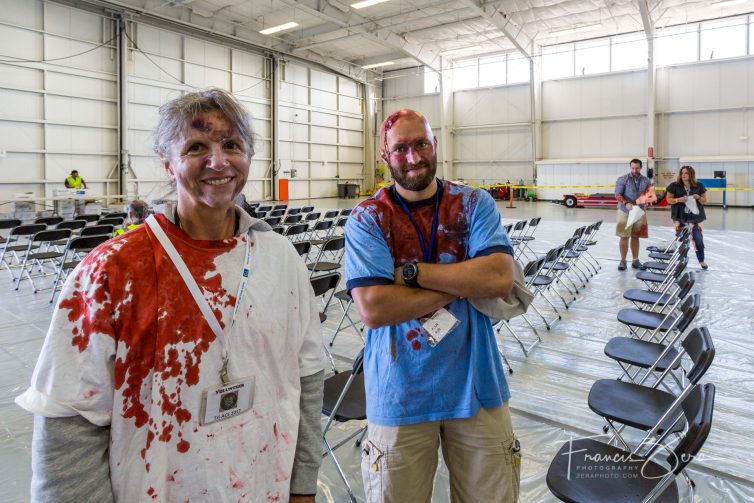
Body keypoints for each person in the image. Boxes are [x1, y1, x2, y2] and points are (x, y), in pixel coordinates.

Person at [16, 88, 324, 503]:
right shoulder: (110, 272)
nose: (219, 161)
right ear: (167, 161)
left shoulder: (281, 258)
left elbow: (307, 376)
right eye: (197, 147)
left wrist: (302, 486)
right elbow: (68, 424)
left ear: (249, 157)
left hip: (265, 485)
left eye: (232, 145)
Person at [345, 109, 520, 503]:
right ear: (384, 155)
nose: (413, 157)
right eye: (401, 148)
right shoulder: (368, 218)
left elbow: (497, 277)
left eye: (421, 143)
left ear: (435, 144)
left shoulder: (474, 203)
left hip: (478, 388)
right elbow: (373, 307)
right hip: (399, 392)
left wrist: (408, 274)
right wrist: (461, 281)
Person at [665, 165, 708, 269]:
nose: (683, 175)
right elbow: (668, 200)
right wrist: (678, 200)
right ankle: (681, 261)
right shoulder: (674, 185)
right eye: (682, 173)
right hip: (680, 217)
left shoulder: (699, 185)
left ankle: (701, 260)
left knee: (698, 239)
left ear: (691, 175)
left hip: (695, 217)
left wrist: (698, 197)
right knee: (682, 240)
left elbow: (705, 201)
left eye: (686, 173)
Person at [614, 158, 653, 271]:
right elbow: (617, 195)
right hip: (625, 211)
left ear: (641, 167)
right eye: (632, 168)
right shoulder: (623, 179)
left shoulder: (646, 181)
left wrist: (649, 199)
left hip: (639, 212)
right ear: (630, 167)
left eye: (637, 168)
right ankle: (623, 261)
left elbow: (649, 195)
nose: (634, 170)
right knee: (624, 236)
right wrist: (626, 203)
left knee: (636, 236)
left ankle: (635, 261)